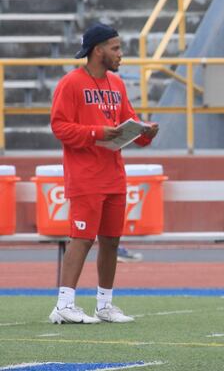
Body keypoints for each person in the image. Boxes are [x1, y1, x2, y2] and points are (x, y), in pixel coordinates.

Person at [48, 23, 159, 324]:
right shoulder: (71, 84)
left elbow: (128, 122)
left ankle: (104, 304)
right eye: (115, 48)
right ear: (98, 51)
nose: (120, 54)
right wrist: (98, 131)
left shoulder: (117, 85)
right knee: (81, 238)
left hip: (113, 175)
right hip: (85, 175)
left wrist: (146, 132)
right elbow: (59, 126)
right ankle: (64, 304)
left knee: (111, 240)